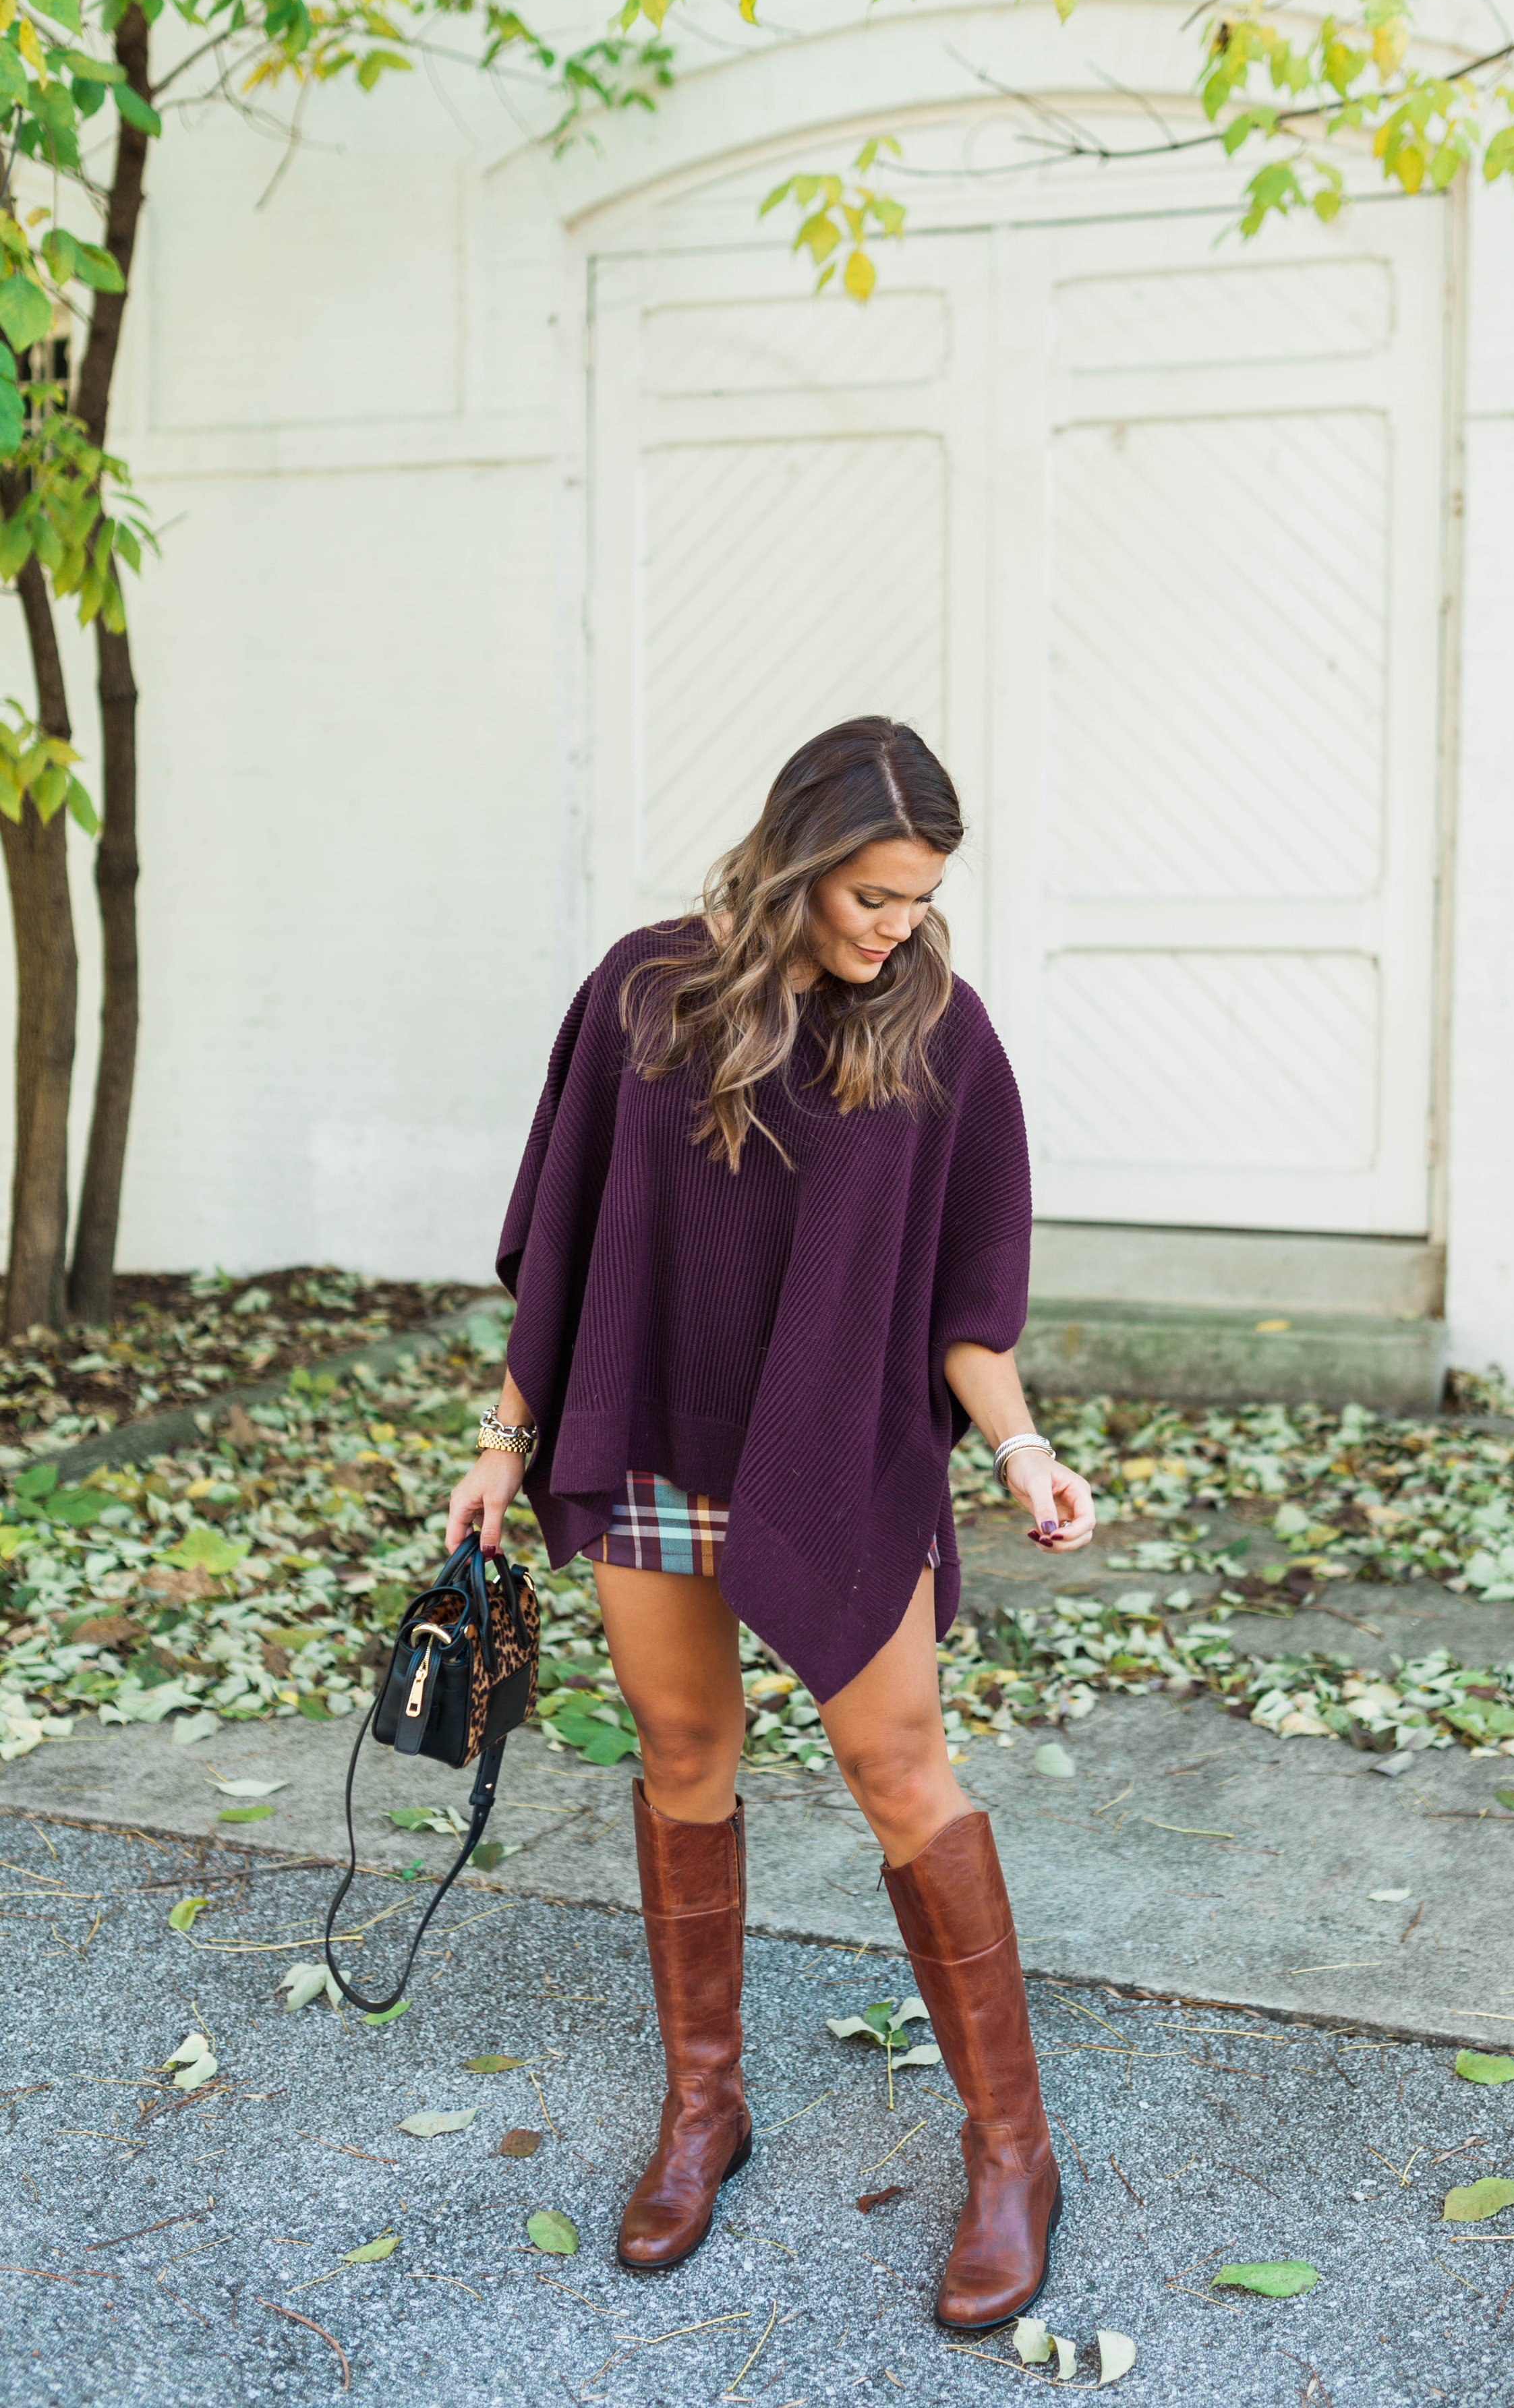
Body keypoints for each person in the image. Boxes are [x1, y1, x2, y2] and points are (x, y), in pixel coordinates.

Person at [444, 715, 1096, 2332]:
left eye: (922, 896)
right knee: (680, 1756)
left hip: (836, 1455)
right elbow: (572, 1240)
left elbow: (965, 1303)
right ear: (799, 855)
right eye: (871, 892)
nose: (897, 924)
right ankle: (703, 2106)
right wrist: (503, 1447)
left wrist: (1016, 1449)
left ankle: (1011, 2147)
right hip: (652, 1433)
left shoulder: (941, 1030)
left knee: (895, 1771)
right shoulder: (643, 993)